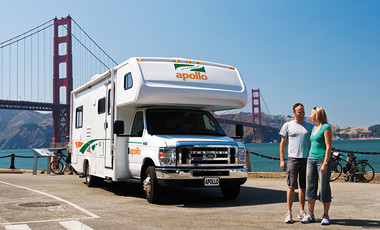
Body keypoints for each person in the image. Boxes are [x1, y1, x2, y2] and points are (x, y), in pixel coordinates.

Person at [279, 103, 314, 223]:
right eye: (299, 112)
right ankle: (289, 213)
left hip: (306, 159)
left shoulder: (310, 126)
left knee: (303, 187)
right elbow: (283, 143)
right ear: (294, 112)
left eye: (303, 111)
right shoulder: (287, 125)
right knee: (291, 186)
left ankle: (301, 211)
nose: (302, 114)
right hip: (292, 158)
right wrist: (282, 160)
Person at [301, 107, 333, 225]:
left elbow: (328, 147)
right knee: (310, 187)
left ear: (317, 115)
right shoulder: (314, 128)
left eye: (312, 114)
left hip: (321, 160)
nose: (310, 116)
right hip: (311, 159)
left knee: (324, 187)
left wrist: (325, 162)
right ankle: (311, 215)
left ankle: (325, 215)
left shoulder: (326, 127)